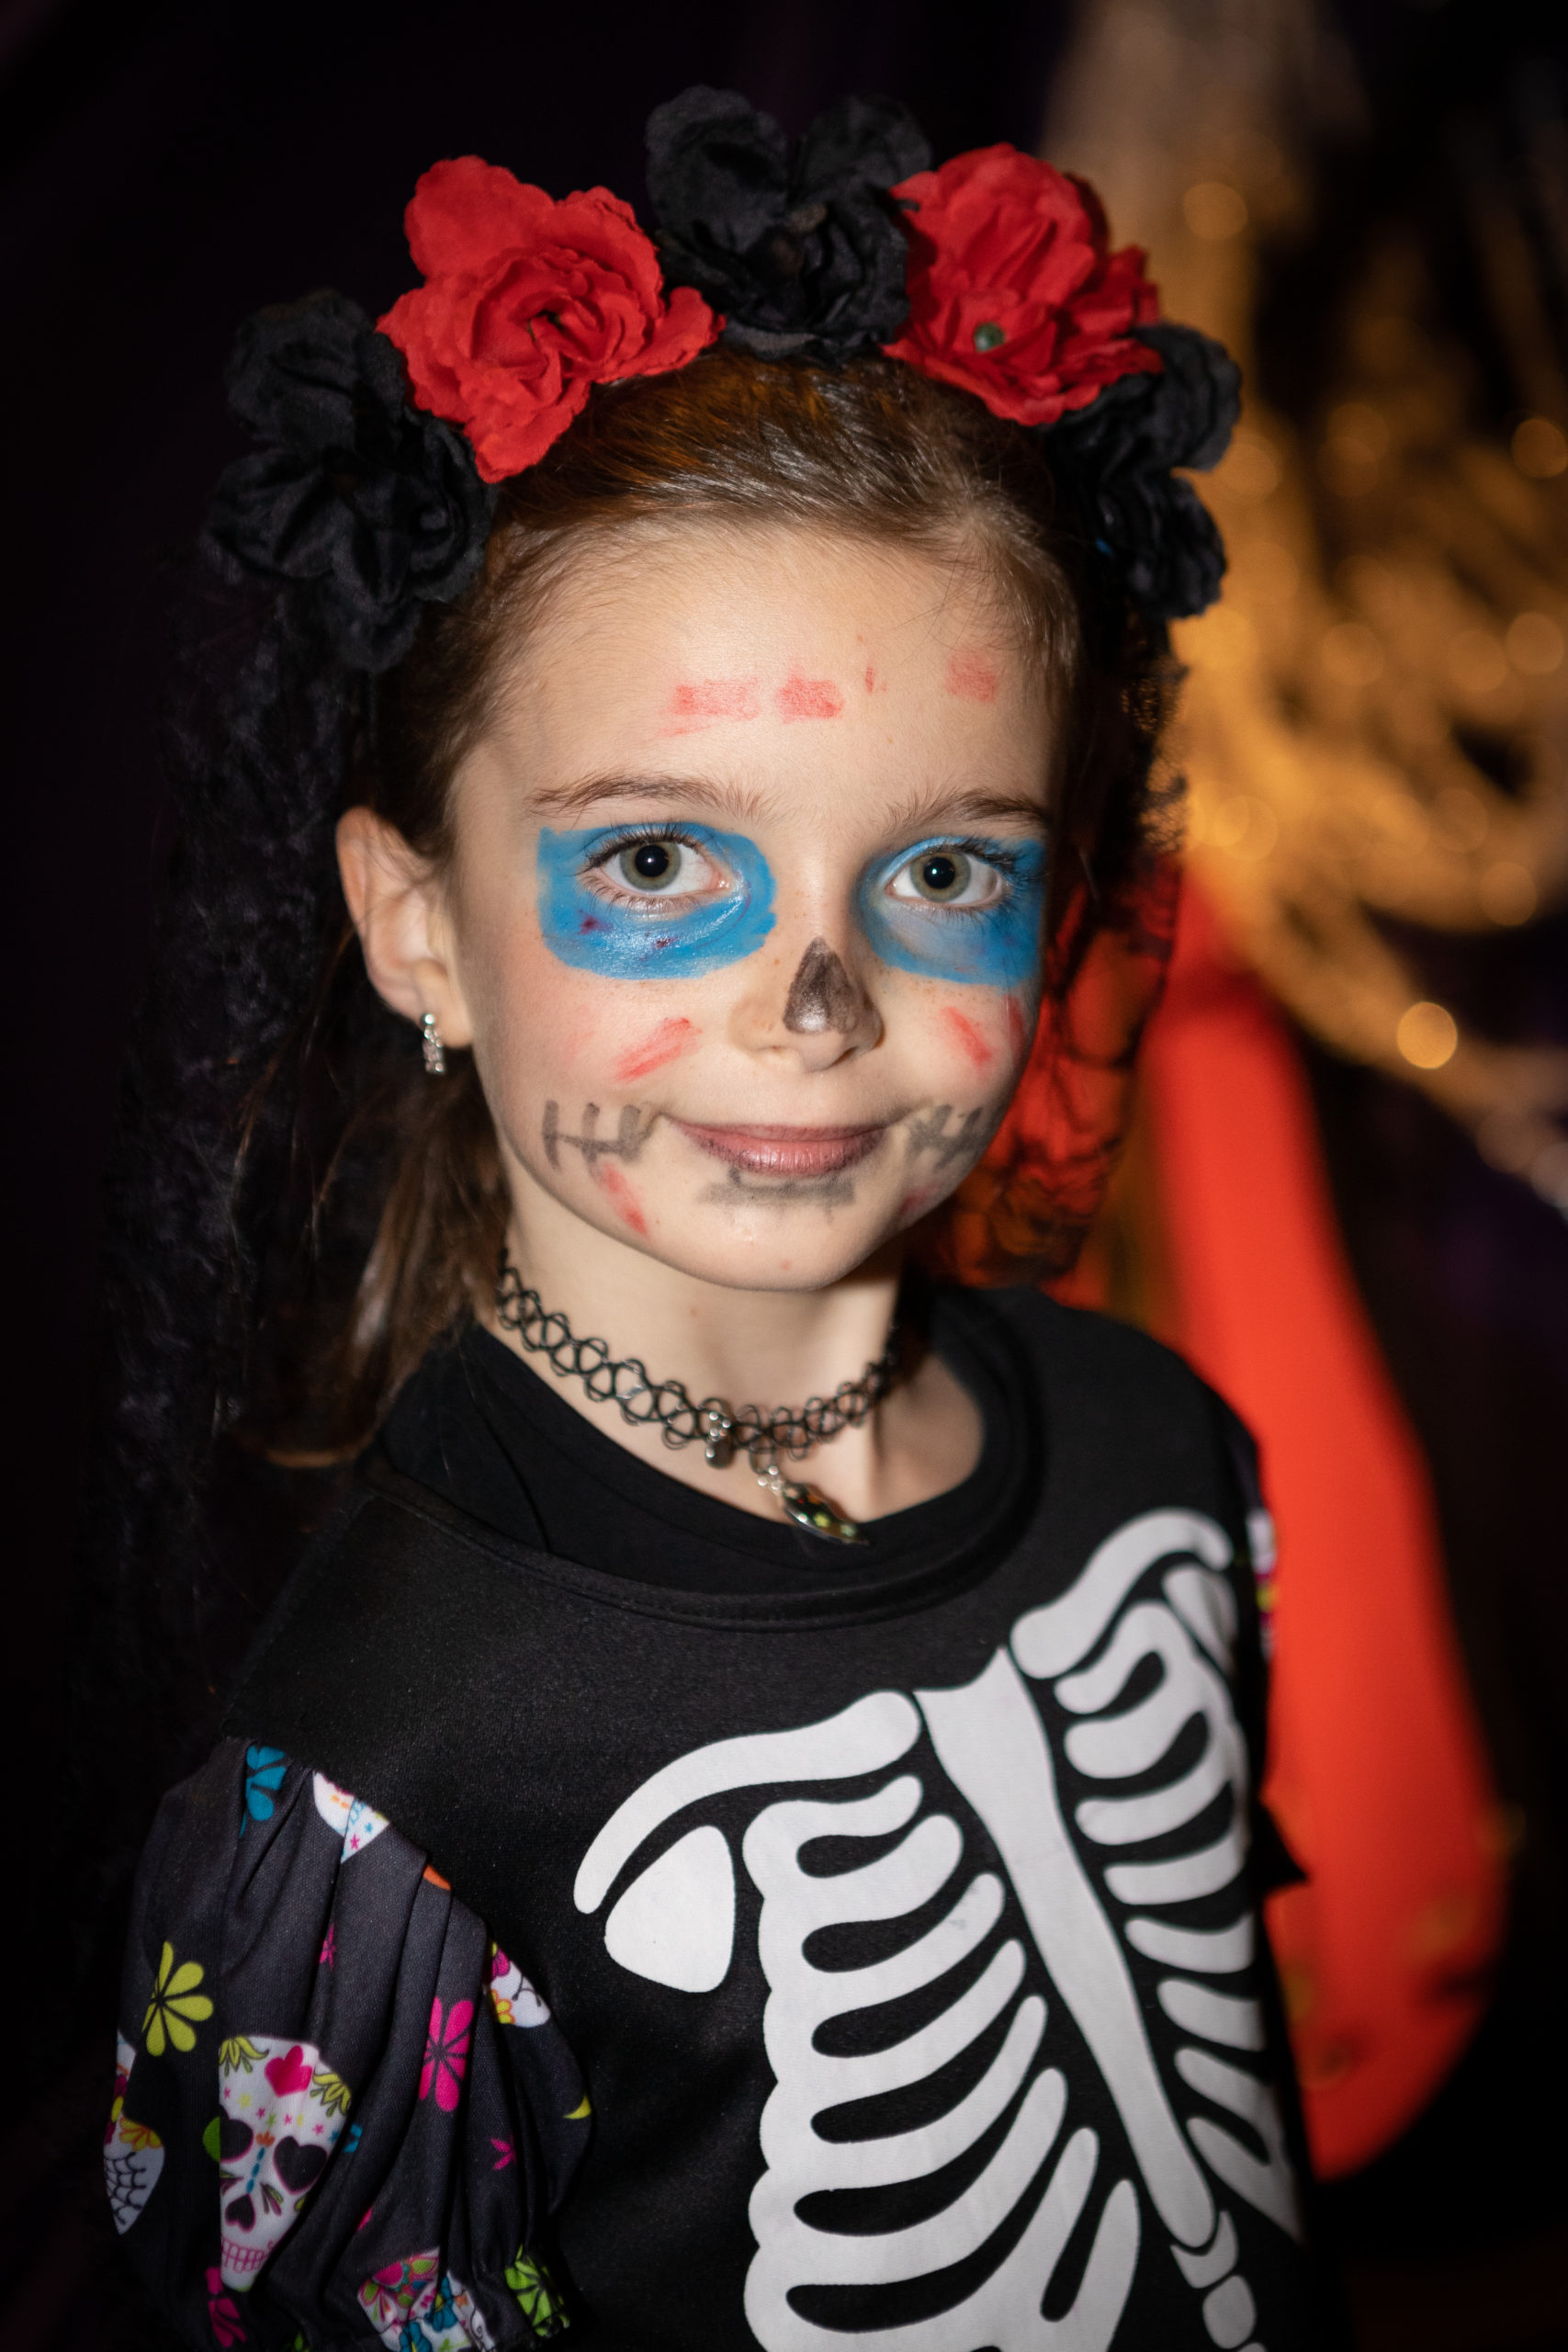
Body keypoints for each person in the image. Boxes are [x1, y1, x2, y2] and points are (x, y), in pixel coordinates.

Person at [98, 85, 1337, 2352]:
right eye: (659, 859)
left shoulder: (1163, 1456)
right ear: (417, 925)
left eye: (941, 866)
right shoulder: (388, 1780)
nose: (818, 1005)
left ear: (1064, 895)